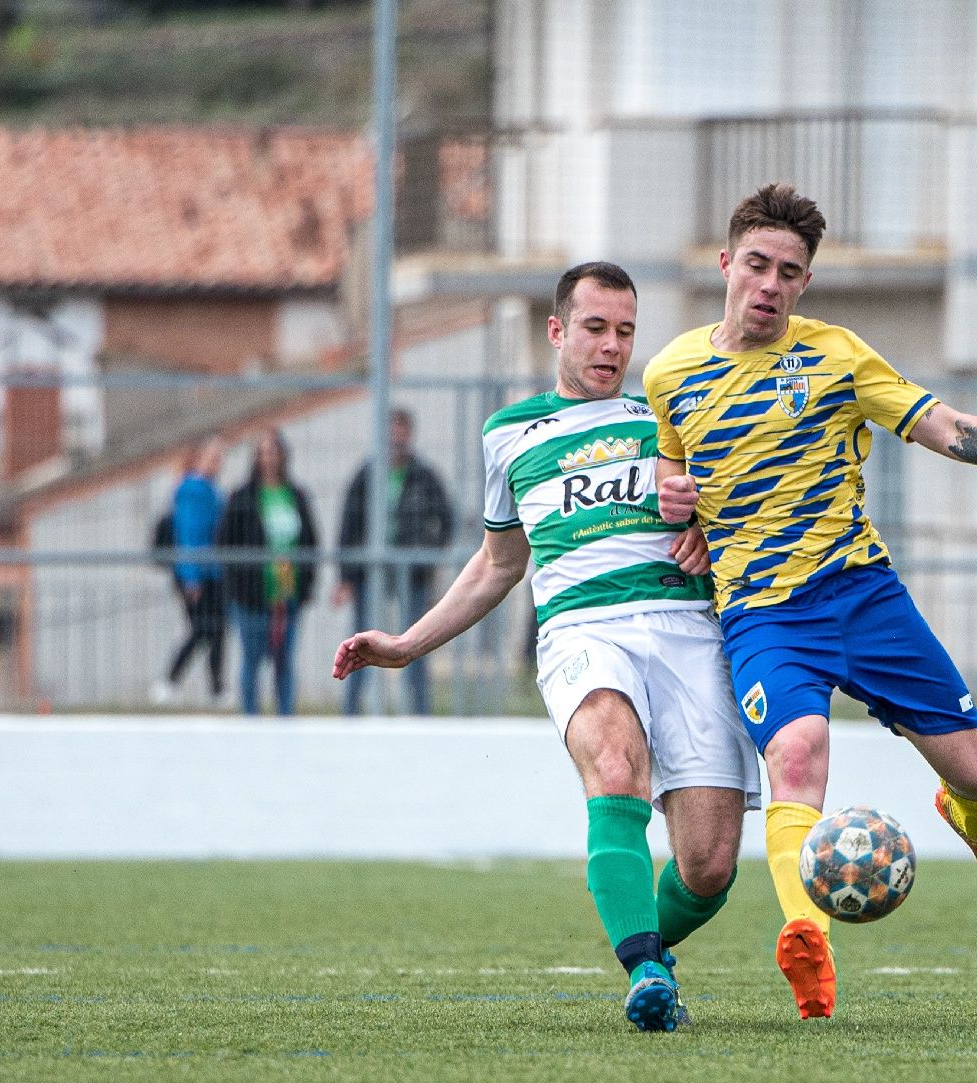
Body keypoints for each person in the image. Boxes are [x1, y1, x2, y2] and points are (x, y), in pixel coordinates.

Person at [644, 184, 977, 1020]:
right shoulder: (669, 372)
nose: (771, 284)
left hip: (864, 595)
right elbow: (675, 471)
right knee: (799, 751)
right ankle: (807, 939)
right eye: (757, 265)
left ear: (805, 282)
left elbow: (941, 425)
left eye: (790, 271)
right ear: (725, 264)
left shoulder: (839, 356)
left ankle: (971, 816)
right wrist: (679, 499)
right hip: (763, 612)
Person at [334, 262, 760, 1033]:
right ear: (558, 331)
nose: (612, 346)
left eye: (626, 331)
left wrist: (712, 527)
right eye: (596, 328)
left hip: (690, 632)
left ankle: (653, 947)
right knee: (614, 761)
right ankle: (644, 972)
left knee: (709, 864)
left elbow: (744, 513)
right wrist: (405, 644)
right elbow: (499, 562)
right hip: (581, 629)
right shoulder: (509, 434)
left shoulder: (670, 415)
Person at [334, 408, 454, 715]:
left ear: (409, 435)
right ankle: (352, 713)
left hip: (412, 573)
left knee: (416, 642)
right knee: (360, 644)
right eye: (391, 432)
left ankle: (420, 714)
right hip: (369, 573)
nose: (396, 439)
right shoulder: (367, 475)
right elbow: (348, 524)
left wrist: (430, 556)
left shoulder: (423, 475)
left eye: (401, 432)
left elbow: (447, 518)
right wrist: (345, 577)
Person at [220, 429, 320, 717]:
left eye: (273, 451)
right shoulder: (242, 497)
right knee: (252, 659)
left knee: (284, 660)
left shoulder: (296, 495)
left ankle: (285, 718)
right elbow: (226, 543)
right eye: (262, 452)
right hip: (252, 594)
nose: (268, 458)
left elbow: (310, 541)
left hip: (287, 592)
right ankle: (251, 718)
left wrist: (307, 582)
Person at [153, 438, 227, 707]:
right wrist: (191, 577)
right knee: (201, 629)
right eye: (211, 457)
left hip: (215, 573)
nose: (216, 463)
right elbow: (189, 535)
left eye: (220, 457)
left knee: (217, 631)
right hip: (195, 575)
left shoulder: (213, 490)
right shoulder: (192, 490)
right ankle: (169, 681)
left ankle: (217, 689)